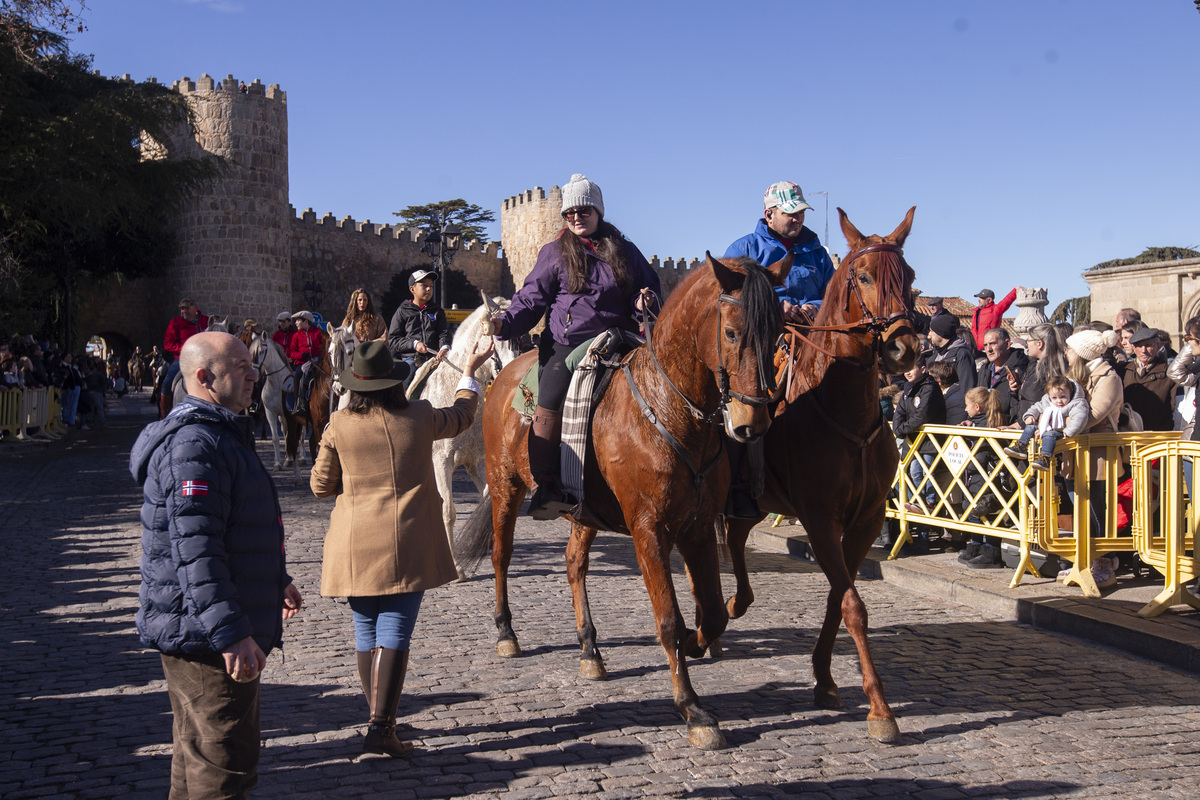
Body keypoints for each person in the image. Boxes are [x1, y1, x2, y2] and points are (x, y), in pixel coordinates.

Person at [132, 331, 302, 798]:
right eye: (241, 367)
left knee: (196, 759)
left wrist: (274, 579)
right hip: (207, 640)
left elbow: (227, 528)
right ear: (206, 378)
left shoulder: (217, 434)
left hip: (203, 627)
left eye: (253, 364)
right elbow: (196, 548)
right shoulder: (196, 446)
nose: (254, 375)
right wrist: (230, 633)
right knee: (224, 768)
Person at [310, 337, 493, 758]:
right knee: (393, 631)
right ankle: (380, 729)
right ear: (394, 381)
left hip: (355, 542)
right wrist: (469, 370)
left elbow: (320, 487)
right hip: (407, 540)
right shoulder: (420, 416)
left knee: (365, 632)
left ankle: (379, 722)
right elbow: (465, 413)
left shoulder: (339, 424)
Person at [488, 173, 661, 519]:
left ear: (598, 211)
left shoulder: (625, 250)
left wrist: (646, 302)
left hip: (619, 334)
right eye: (570, 214)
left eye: (584, 211)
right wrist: (504, 324)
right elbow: (531, 299)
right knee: (550, 392)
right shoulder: (554, 253)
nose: (577, 218)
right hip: (568, 342)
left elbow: (650, 288)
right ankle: (545, 483)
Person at [724, 180, 834, 324]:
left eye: (801, 212)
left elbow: (836, 296)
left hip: (813, 338)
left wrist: (816, 308)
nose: (798, 219)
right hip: (763, 339)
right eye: (790, 213)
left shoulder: (818, 254)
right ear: (769, 215)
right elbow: (728, 301)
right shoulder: (742, 250)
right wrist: (773, 308)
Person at [891, 355, 946, 550]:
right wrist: (899, 427)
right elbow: (900, 413)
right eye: (905, 367)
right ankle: (912, 534)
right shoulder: (908, 387)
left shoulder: (929, 387)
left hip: (928, 444)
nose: (907, 371)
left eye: (911, 367)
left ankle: (924, 537)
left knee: (925, 481)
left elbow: (922, 415)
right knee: (913, 483)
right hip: (912, 443)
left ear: (923, 369)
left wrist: (903, 428)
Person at [958, 386, 1009, 568]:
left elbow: (983, 454)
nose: (965, 409)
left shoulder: (989, 425)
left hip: (986, 474)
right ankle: (976, 544)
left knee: (986, 511)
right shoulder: (978, 423)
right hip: (976, 473)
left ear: (977, 407)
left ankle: (991, 550)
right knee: (972, 510)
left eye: (967, 406)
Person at [1003, 375, 1089, 472]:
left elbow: (1079, 418)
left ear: (1070, 392)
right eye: (1054, 397)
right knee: (1030, 427)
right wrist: (1030, 416)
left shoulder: (1076, 403)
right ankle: (1020, 446)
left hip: (1061, 431)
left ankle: (1045, 458)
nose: (1059, 401)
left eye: (1063, 397)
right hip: (1046, 427)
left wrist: (1069, 431)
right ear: (1049, 396)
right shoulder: (1047, 401)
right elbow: (1036, 407)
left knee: (1049, 434)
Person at [388, 271, 450, 382]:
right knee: (407, 381)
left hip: (434, 358)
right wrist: (414, 344)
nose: (429, 289)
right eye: (424, 285)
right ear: (412, 289)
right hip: (411, 359)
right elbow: (393, 339)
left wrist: (444, 348)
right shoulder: (402, 311)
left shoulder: (437, 311)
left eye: (431, 286)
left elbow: (444, 333)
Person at [1118, 327, 1175, 431]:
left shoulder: (1169, 374)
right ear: (1134, 348)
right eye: (1139, 346)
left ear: (1158, 346)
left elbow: (1174, 410)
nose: (1144, 350)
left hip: (1157, 437)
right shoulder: (1123, 371)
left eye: (1149, 345)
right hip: (1127, 435)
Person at [162, 298, 210, 400]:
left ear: (195, 308)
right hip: (182, 359)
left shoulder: (205, 321)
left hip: (204, 358)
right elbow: (168, 343)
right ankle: (164, 413)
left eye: (187, 308)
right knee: (167, 383)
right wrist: (184, 349)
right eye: (182, 309)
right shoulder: (175, 323)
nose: (184, 311)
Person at [977, 327, 1027, 423]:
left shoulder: (1021, 368)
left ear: (1007, 344)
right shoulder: (984, 370)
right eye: (985, 345)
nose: (988, 349)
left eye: (993, 344)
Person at [288, 310, 325, 415]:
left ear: (305, 321)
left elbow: (323, 346)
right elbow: (292, 353)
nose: (295, 323)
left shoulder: (318, 333)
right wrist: (301, 355)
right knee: (297, 376)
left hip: (317, 362)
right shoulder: (296, 336)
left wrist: (319, 355)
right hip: (302, 363)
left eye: (298, 321)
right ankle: (298, 403)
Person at [928, 314, 975, 391]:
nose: (929, 336)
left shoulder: (962, 354)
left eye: (932, 331)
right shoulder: (934, 356)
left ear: (941, 333)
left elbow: (968, 387)